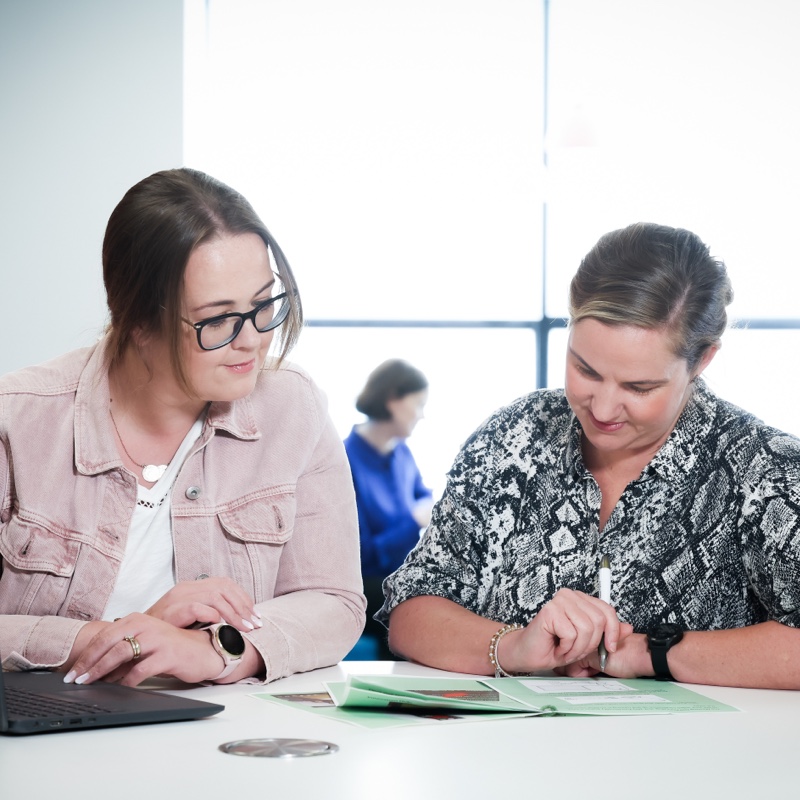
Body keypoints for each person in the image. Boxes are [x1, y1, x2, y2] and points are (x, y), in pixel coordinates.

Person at [379, 222, 800, 690]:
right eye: (585, 369)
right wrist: (514, 647)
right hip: (502, 758)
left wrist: (651, 652)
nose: (601, 409)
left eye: (639, 387)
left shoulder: (767, 472)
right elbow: (413, 609)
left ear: (702, 361)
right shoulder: (513, 437)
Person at [0, 167, 365, 686]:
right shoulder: (18, 420)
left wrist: (215, 650)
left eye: (265, 305)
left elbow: (334, 601)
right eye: (218, 319)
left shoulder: (292, 407)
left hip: (225, 739)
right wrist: (115, 638)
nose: (253, 341)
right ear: (138, 322)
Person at [344, 359, 433, 659]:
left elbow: (424, 495)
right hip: (365, 584)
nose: (421, 415)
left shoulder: (401, 452)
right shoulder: (344, 460)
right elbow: (363, 555)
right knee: (412, 607)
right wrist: (413, 521)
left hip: (400, 575)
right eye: (418, 404)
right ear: (393, 400)